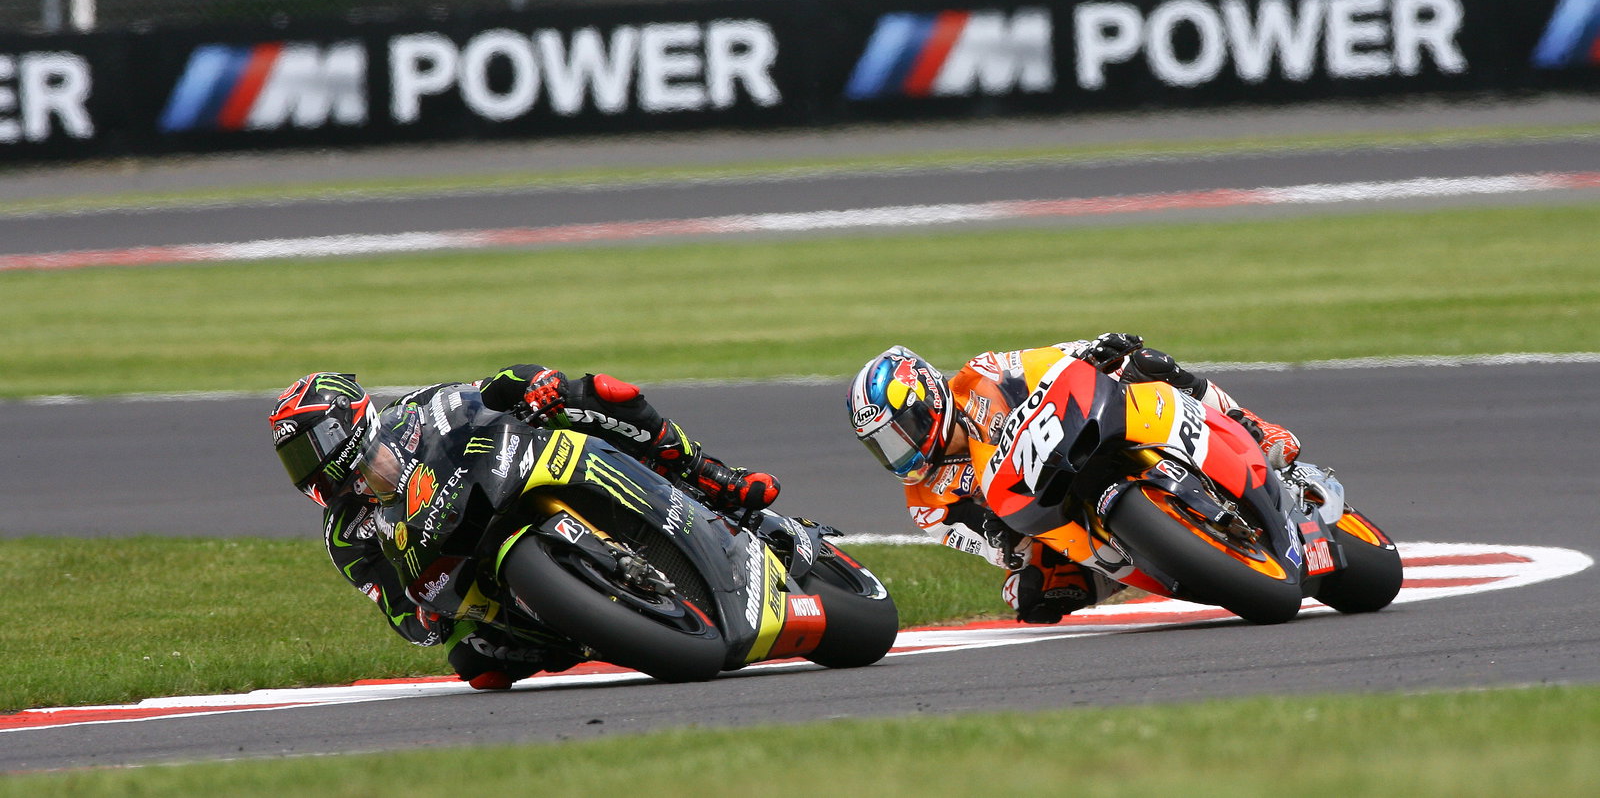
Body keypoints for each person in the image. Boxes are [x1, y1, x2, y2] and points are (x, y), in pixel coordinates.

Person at [269, 367, 779, 690]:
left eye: (312, 447)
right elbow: (399, 610)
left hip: (506, 478)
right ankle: (585, 631)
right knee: (476, 664)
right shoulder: (346, 535)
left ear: (351, 421)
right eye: (295, 459)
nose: (308, 466)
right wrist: (428, 618)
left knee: (597, 393)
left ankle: (712, 477)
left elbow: (491, 390)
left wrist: (537, 385)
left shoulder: (418, 411)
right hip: (469, 576)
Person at [846, 335, 1299, 624]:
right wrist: (998, 537)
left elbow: (1056, 360)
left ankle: (1250, 425)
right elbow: (990, 545)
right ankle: (1137, 565)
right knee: (1026, 596)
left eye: (901, 431)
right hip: (1055, 517)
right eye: (884, 445)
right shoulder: (928, 500)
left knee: (1145, 363)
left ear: (927, 398)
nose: (901, 449)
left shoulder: (983, 373)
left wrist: (1096, 350)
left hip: (1086, 434)